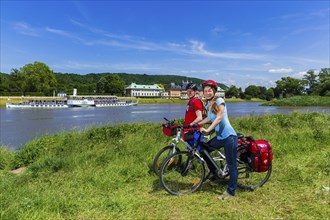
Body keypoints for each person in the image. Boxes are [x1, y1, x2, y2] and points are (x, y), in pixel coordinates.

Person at [196, 79, 238, 200]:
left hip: (229, 137)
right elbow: (209, 118)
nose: (208, 93)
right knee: (204, 150)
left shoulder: (219, 101)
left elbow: (218, 118)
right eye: (205, 91)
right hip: (220, 137)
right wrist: (196, 125)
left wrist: (208, 130)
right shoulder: (207, 104)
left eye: (210, 90)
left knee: (232, 165)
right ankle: (215, 174)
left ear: (214, 91)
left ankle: (231, 192)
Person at [183, 82, 203, 146]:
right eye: (188, 91)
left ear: (195, 91)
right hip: (190, 130)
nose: (189, 93)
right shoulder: (191, 101)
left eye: (191, 91)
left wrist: (191, 124)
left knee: (200, 151)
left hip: (195, 130)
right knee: (190, 151)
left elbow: (200, 117)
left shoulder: (196, 101)